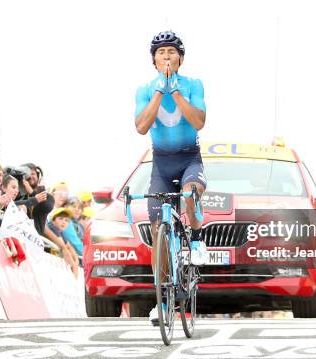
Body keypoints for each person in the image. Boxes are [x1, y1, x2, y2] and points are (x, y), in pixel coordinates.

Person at [134, 30, 208, 324]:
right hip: (161, 163)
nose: (166, 56)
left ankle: (198, 237)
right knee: (157, 229)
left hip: (189, 157)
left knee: (191, 192)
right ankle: (162, 301)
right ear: (154, 60)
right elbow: (141, 127)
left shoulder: (193, 85)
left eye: (172, 52)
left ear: (180, 58)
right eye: (161, 53)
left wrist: (175, 91)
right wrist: (158, 92)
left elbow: (199, 121)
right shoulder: (144, 89)